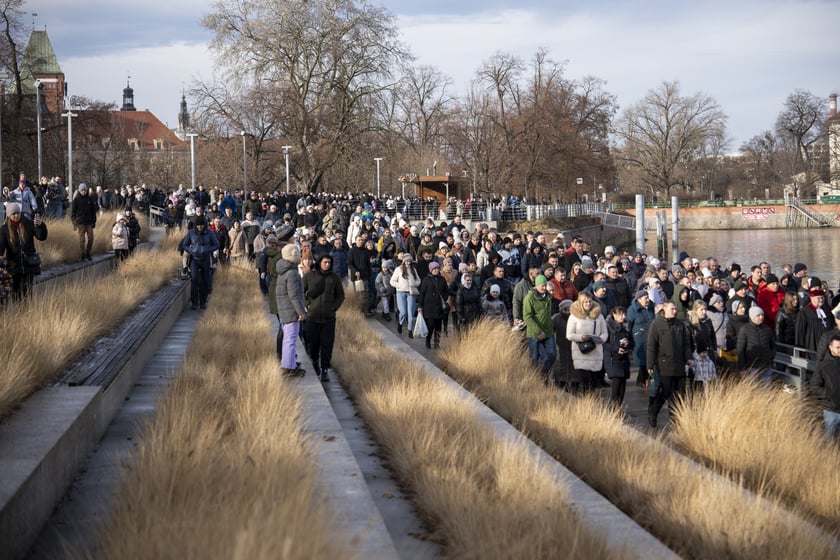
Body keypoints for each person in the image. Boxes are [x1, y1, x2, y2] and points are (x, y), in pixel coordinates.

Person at [646, 300, 693, 428]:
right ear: (664, 310)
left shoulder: (680, 324)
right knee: (665, 392)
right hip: (663, 364)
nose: (675, 311)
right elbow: (651, 346)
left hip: (679, 364)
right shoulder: (656, 324)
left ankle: (675, 420)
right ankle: (653, 411)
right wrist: (650, 364)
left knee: (679, 394)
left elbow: (686, 344)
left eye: (675, 309)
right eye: (672, 309)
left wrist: (689, 358)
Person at [303, 252, 345, 382]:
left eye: (329, 262)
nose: (327, 265)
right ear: (319, 262)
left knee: (327, 344)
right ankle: (315, 361)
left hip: (329, 317)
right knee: (314, 343)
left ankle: (325, 369)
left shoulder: (334, 277)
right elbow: (301, 292)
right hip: (313, 316)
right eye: (324, 262)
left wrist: (334, 307)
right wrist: (308, 305)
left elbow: (340, 295)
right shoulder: (309, 276)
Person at [0, 202, 47, 299]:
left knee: (27, 294)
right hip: (14, 266)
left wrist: (41, 226)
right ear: (9, 215)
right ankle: (19, 312)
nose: (16, 215)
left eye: (18, 213)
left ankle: (28, 312)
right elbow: (1, 248)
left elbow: (41, 237)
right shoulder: (4, 229)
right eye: (13, 214)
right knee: (16, 294)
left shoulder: (28, 224)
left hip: (28, 264)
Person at [566, 291, 608, 393]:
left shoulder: (599, 316)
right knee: (585, 383)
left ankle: (590, 405)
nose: (588, 304)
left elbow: (604, 333)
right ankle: (585, 404)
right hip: (581, 353)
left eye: (589, 301)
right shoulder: (574, 316)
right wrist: (581, 337)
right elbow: (569, 335)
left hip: (595, 351)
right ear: (580, 302)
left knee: (593, 384)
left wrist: (601, 339)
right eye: (585, 302)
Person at [276, 243, 307, 377]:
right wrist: (301, 311)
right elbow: (294, 295)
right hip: (291, 310)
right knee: (290, 339)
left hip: (284, 308)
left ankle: (289, 363)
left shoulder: (283, 271)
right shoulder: (292, 273)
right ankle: (288, 367)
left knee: (287, 338)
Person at [181, 216, 220, 310]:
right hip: (194, 259)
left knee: (205, 281)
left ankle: (203, 302)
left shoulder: (209, 233)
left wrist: (208, 250)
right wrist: (191, 250)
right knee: (194, 280)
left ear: (204, 225)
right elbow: (185, 244)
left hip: (205, 259)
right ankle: (194, 303)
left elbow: (216, 244)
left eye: (201, 225)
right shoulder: (191, 233)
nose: (200, 227)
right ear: (195, 226)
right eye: (198, 225)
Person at [523, 274, 556, 380]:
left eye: (545, 285)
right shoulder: (529, 298)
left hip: (548, 331)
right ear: (536, 286)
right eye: (542, 285)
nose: (544, 288)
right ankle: (535, 378)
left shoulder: (549, 296)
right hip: (534, 333)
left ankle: (542, 374)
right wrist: (538, 331)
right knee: (534, 358)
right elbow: (527, 317)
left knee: (552, 354)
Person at [810, 333, 840, 441]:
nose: (839, 350)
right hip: (831, 410)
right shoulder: (823, 366)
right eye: (837, 347)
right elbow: (814, 387)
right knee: (829, 442)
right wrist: (830, 394)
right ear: (830, 347)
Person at [603, 306, 633, 410]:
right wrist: (616, 348)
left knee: (623, 386)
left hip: (624, 358)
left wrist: (628, 343)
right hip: (612, 359)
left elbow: (632, 342)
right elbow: (604, 343)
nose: (623, 316)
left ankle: (618, 407)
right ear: (614, 315)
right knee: (616, 383)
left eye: (624, 314)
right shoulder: (607, 326)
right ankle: (614, 408)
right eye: (620, 314)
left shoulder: (626, 326)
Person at [417, 260, 449, 349]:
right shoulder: (426, 280)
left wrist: (444, 298)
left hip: (439, 306)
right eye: (434, 269)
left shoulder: (442, 279)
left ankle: (436, 343)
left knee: (438, 327)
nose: (436, 270)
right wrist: (420, 306)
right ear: (431, 270)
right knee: (430, 326)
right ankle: (428, 341)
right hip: (429, 307)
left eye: (437, 268)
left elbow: (446, 291)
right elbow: (422, 294)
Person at [736, 307, 776, 377]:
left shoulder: (767, 329)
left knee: (766, 387)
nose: (761, 317)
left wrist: (770, 356)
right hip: (751, 367)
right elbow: (740, 350)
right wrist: (742, 368)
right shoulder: (745, 329)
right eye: (758, 315)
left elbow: (773, 346)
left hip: (766, 367)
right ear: (752, 316)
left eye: (762, 315)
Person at [627, 290, 655, 387]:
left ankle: (644, 380)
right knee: (642, 360)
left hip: (651, 336)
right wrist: (629, 339)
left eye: (648, 297)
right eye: (645, 298)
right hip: (639, 337)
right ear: (639, 299)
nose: (648, 300)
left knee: (649, 359)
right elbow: (629, 325)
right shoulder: (632, 309)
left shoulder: (652, 308)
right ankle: (642, 380)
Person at [390, 254, 421, 337]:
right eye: (407, 261)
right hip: (400, 292)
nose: (408, 263)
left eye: (410, 261)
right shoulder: (398, 269)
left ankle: (410, 330)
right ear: (403, 261)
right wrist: (399, 285)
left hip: (411, 293)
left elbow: (418, 280)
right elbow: (392, 281)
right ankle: (400, 323)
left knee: (410, 312)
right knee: (403, 312)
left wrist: (414, 284)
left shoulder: (413, 269)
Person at [795, 286, 832, 352]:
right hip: (812, 345)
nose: (821, 300)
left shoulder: (827, 310)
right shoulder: (804, 313)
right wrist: (801, 349)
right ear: (811, 298)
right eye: (818, 298)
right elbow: (800, 333)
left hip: (827, 345)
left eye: (822, 298)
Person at [70, 183, 98, 261]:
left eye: (84, 190)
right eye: (82, 190)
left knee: (91, 238)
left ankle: (88, 252)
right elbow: (73, 213)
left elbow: (93, 211)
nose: (83, 192)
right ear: (79, 190)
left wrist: (94, 221)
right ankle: (83, 254)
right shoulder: (76, 200)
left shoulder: (89, 199)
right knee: (82, 239)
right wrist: (74, 223)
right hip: (80, 223)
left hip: (89, 222)